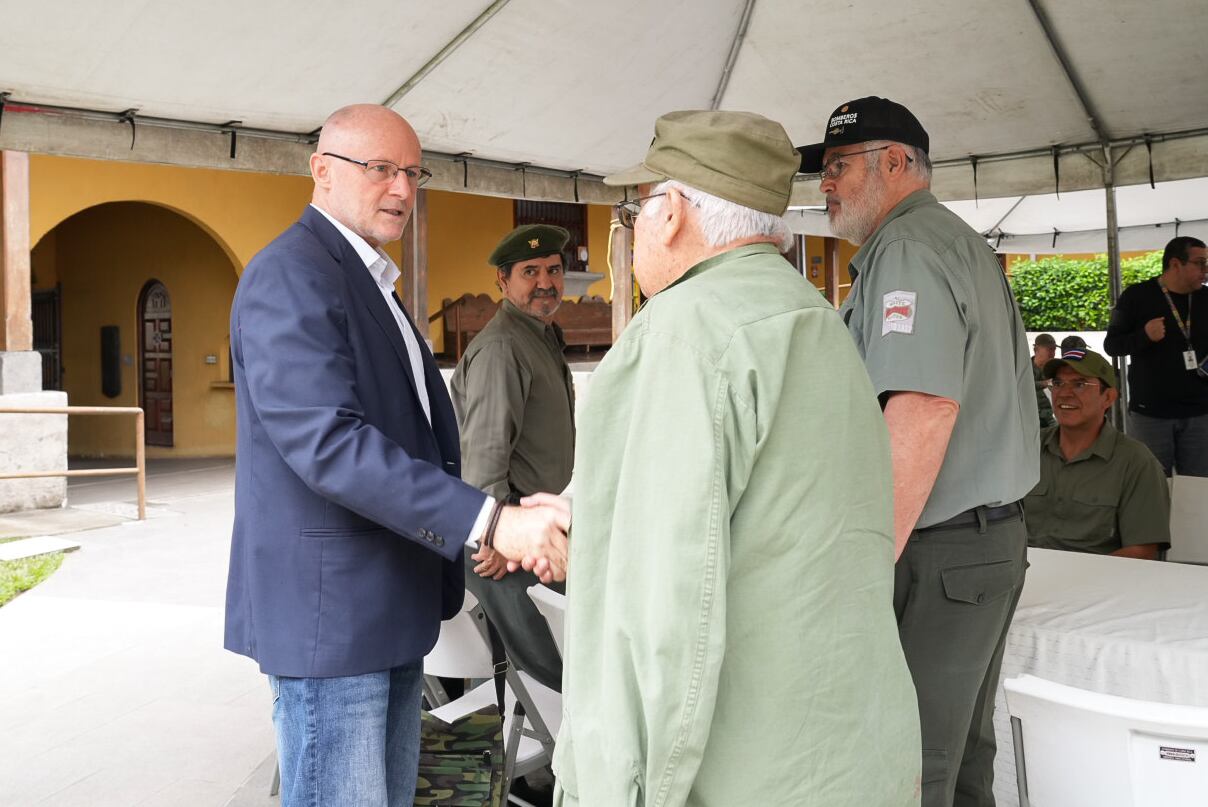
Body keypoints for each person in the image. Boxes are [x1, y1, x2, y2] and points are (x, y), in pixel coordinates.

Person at [550, 110, 920, 807]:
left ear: (673, 212)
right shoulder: (819, 320)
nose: (628, 226)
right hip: (853, 752)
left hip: (741, 771)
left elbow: (661, 607)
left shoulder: (683, 331)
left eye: (638, 205)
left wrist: (616, 789)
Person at [223, 104, 569, 807]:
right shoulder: (290, 274)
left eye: (413, 172)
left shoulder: (365, 278)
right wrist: (489, 521)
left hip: (385, 610)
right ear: (321, 170)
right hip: (333, 624)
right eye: (380, 169)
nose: (402, 190)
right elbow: (330, 443)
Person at [799, 96, 1038, 807]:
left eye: (839, 165)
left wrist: (867, 564)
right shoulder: (946, 241)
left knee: (910, 765)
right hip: (977, 542)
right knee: (959, 756)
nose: (826, 184)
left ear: (897, 163)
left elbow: (922, 409)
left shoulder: (907, 249)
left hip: (938, 547)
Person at [450, 223, 576, 692]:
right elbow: (482, 460)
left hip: (525, 526)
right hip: (504, 537)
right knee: (558, 667)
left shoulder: (538, 334)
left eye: (554, 269)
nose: (546, 281)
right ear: (502, 282)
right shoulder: (504, 346)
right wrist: (499, 538)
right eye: (530, 271)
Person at [1023, 349, 1169, 558]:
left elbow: (1142, 550)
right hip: (1017, 579)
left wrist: (1078, 582)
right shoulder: (1028, 447)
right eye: (1058, 383)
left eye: (1080, 384)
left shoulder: (1135, 462)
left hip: (1096, 584)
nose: (1064, 393)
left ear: (1108, 397)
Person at [1104, 236, 1208, 476]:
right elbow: (1112, 346)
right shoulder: (1136, 297)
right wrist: (1144, 336)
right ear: (1175, 264)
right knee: (1151, 486)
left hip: (1200, 414)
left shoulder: (1205, 298)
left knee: (1197, 490)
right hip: (1151, 414)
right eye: (1199, 263)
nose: (1205, 270)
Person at [1032, 333, 1056, 427]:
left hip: (1050, 417)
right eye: (1049, 349)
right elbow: (1023, 385)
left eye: (1054, 349)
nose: (1052, 353)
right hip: (1031, 417)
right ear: (1036, 350)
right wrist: (1045, 383)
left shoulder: (1054, 368)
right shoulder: (1025, 368)